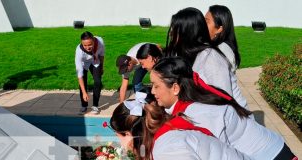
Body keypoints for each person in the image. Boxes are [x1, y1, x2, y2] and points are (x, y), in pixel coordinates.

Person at [150, 56, 297, 160]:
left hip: (270, 155)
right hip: (271, 148)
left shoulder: (198, 114)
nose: (152, 92)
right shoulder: (195, 99)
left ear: (175, 88)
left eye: (156, 86)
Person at [110, 90, 251, 160]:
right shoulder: (169, 129)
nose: (121, 144)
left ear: (128, 134)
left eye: (119, 137)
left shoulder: (169, 147)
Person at [165, 7, 248, 109]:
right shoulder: (193, 53)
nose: (170, 34)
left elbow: (222, 100)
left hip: (231, 116)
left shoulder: (212, 56)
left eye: (206, 21)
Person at [75, 31, 104, 114]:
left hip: (95, 62)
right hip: (84, 64)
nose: (87, 47)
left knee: (98, 82)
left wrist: (101, 67)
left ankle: (95, 105)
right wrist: (84, 93)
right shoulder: (79, 52)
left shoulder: (100, 42)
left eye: (90, 44)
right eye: (85, 45)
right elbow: (79, 74)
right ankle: (84, 105)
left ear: (94, 41)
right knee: (83, 84)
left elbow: (101, 55)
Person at [205, 4, 241, 72]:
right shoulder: (218, 47)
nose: (202, 24)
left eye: (206, 21)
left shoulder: (221, 50)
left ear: (219, 29)